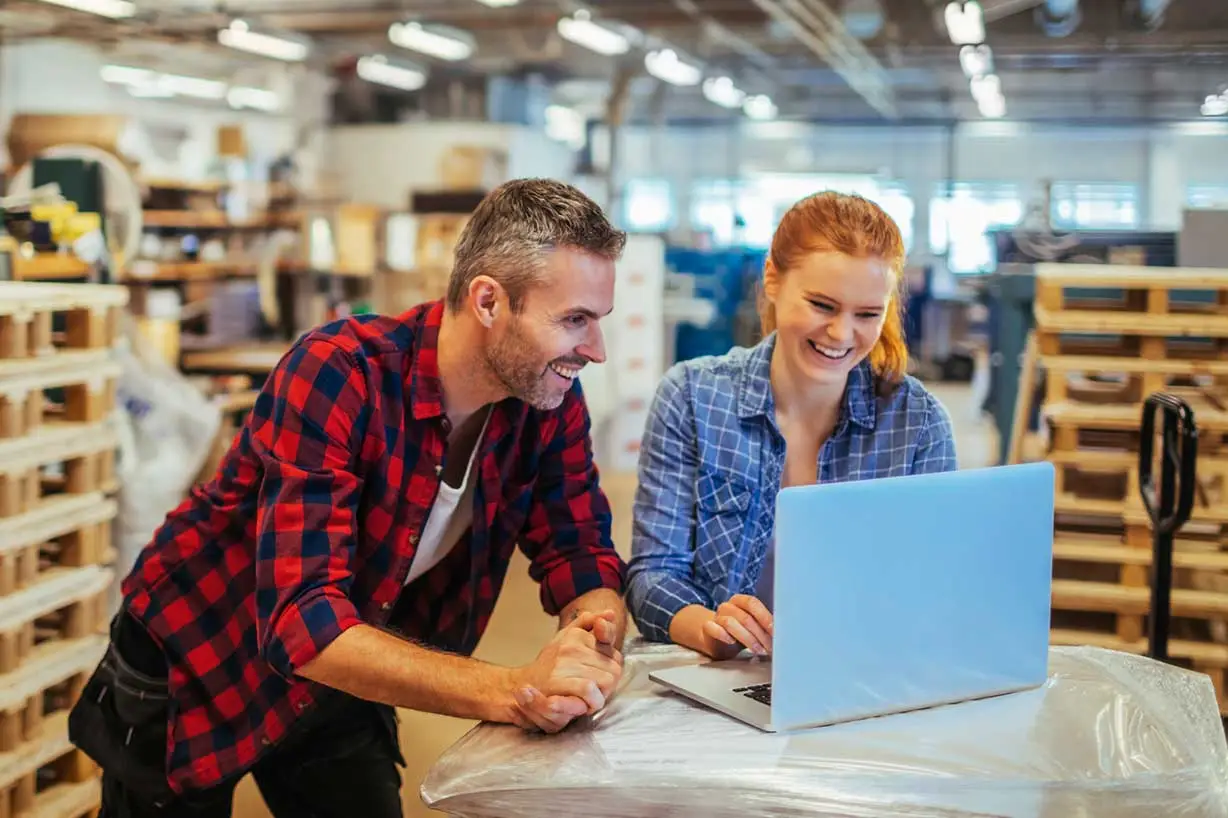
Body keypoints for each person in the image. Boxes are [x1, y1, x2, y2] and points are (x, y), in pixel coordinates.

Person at [69, 179, 631, 817]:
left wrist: (591, 635)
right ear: (488, 301)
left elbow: (578, 546)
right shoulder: (340, 373)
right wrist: (513, 689)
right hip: (199, 653)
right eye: (574, 320)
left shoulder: (545, 398)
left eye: (598, 321)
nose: (596, 351)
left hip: (345, 665)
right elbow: (301, 623)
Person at [626, 191, 957, 661]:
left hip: (860, 673)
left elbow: (935, 587)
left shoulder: (918, 424)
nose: (842, 335)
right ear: (773, 279)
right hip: (720, 678)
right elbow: (653, 575)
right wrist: (711, 630)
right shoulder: (691, 398)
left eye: (867, 314)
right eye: (822, 305)